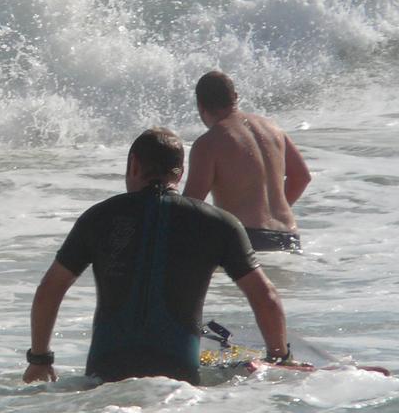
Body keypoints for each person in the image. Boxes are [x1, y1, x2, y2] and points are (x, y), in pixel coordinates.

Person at [22, 128, 290, 386]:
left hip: (106, 373)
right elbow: (265, 297)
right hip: (178, 377)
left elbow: (50, 290)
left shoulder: (98, 218)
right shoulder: (219, 223)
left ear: (134, 165)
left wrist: (40, 359)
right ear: (181, 172)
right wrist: (280, 358)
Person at [183, 70, 311, 252]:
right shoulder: (274, 129)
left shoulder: (209, 143)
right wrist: (272, 214)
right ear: (235, 97)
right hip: (288, 237)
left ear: (200, 106)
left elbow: (190, 208)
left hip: (246, 238)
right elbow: (301, 177)